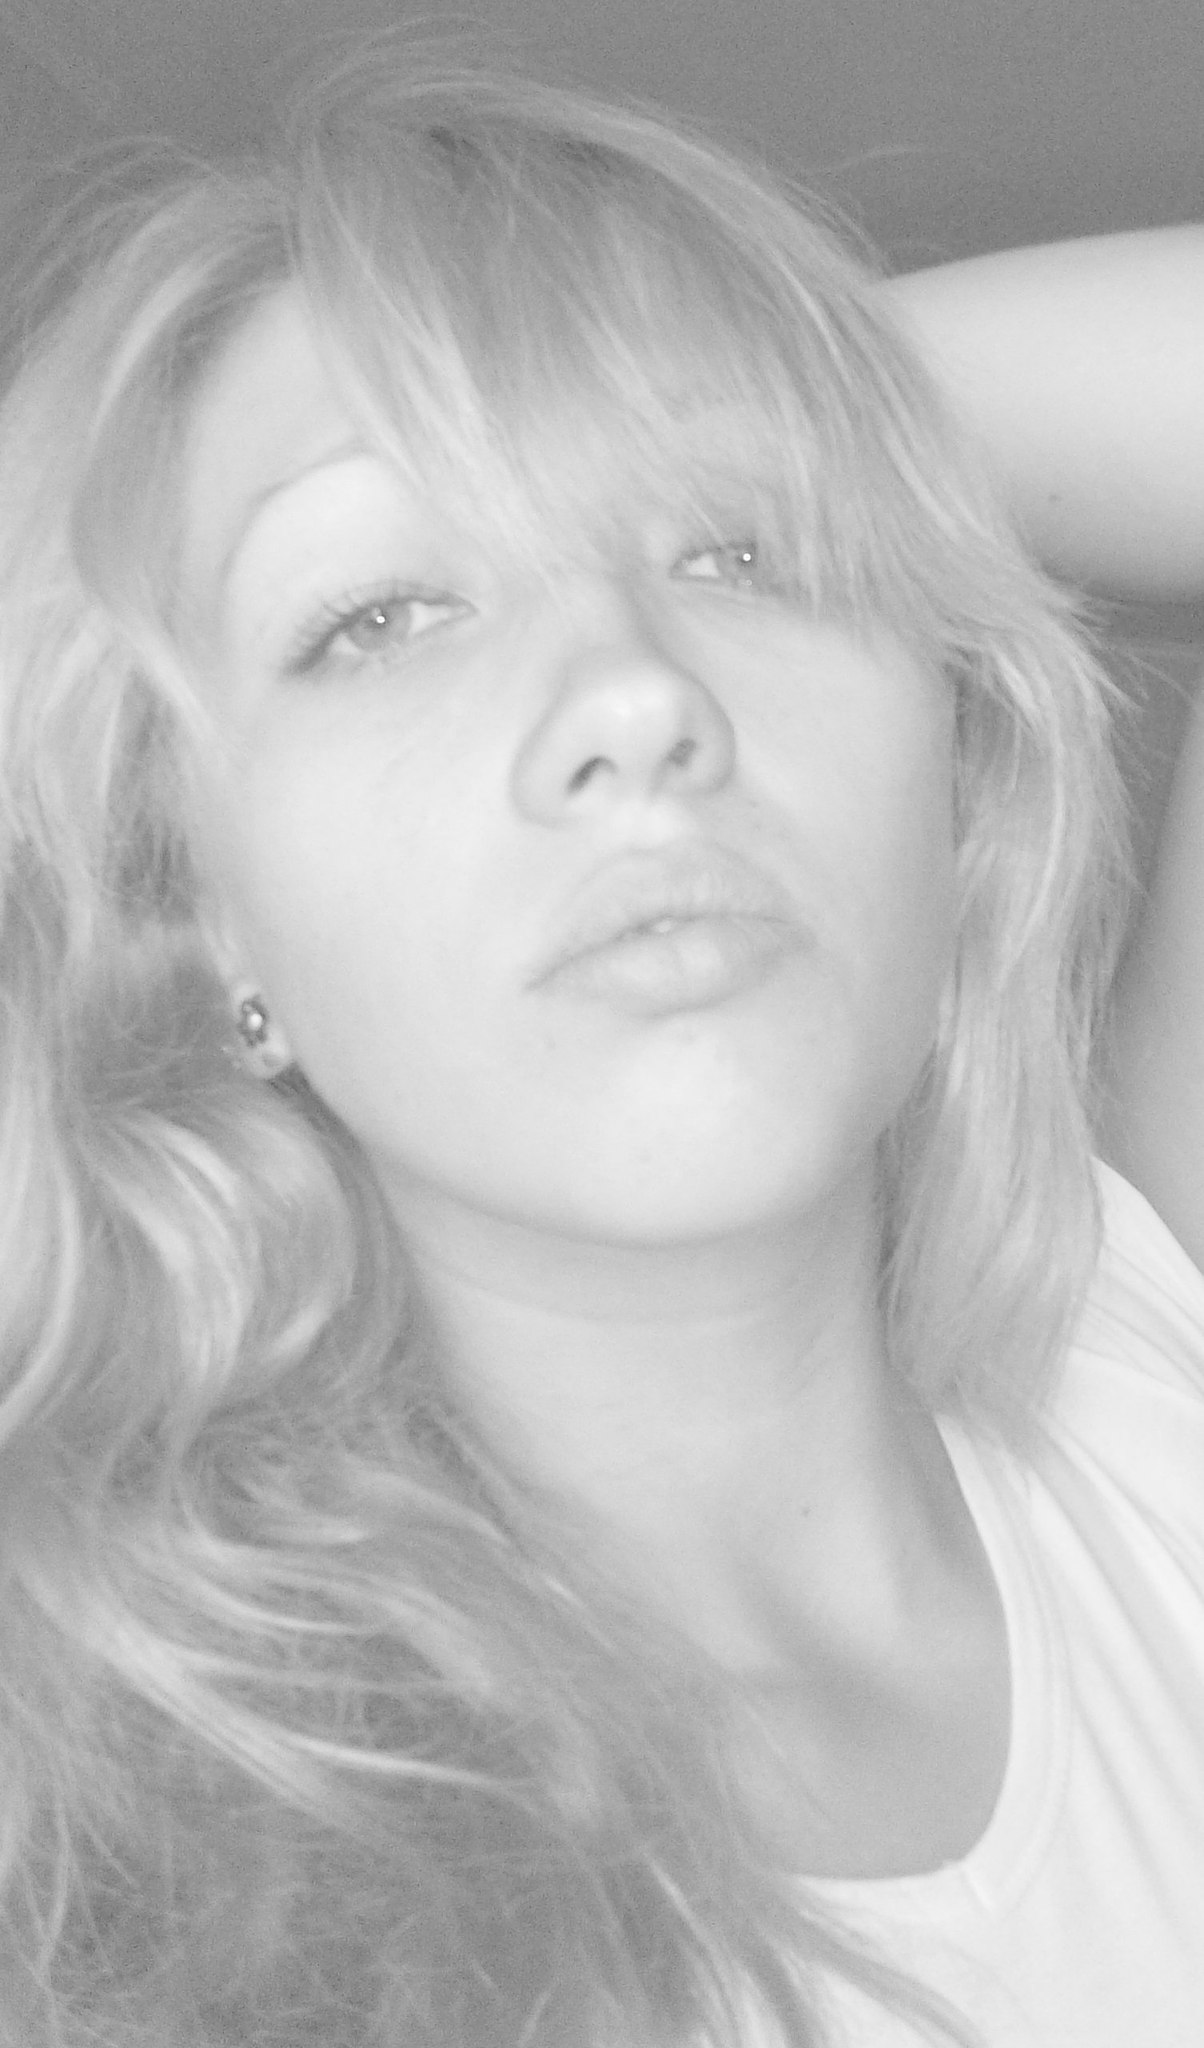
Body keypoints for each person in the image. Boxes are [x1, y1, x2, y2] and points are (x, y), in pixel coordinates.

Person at [0, 37, 1199, 2046]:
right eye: (379, 615)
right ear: (190, 924)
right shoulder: (119, 1884)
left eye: (740, 556)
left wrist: (820, 418)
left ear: (956, 770)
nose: (636, 695)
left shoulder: (1146, 1376)